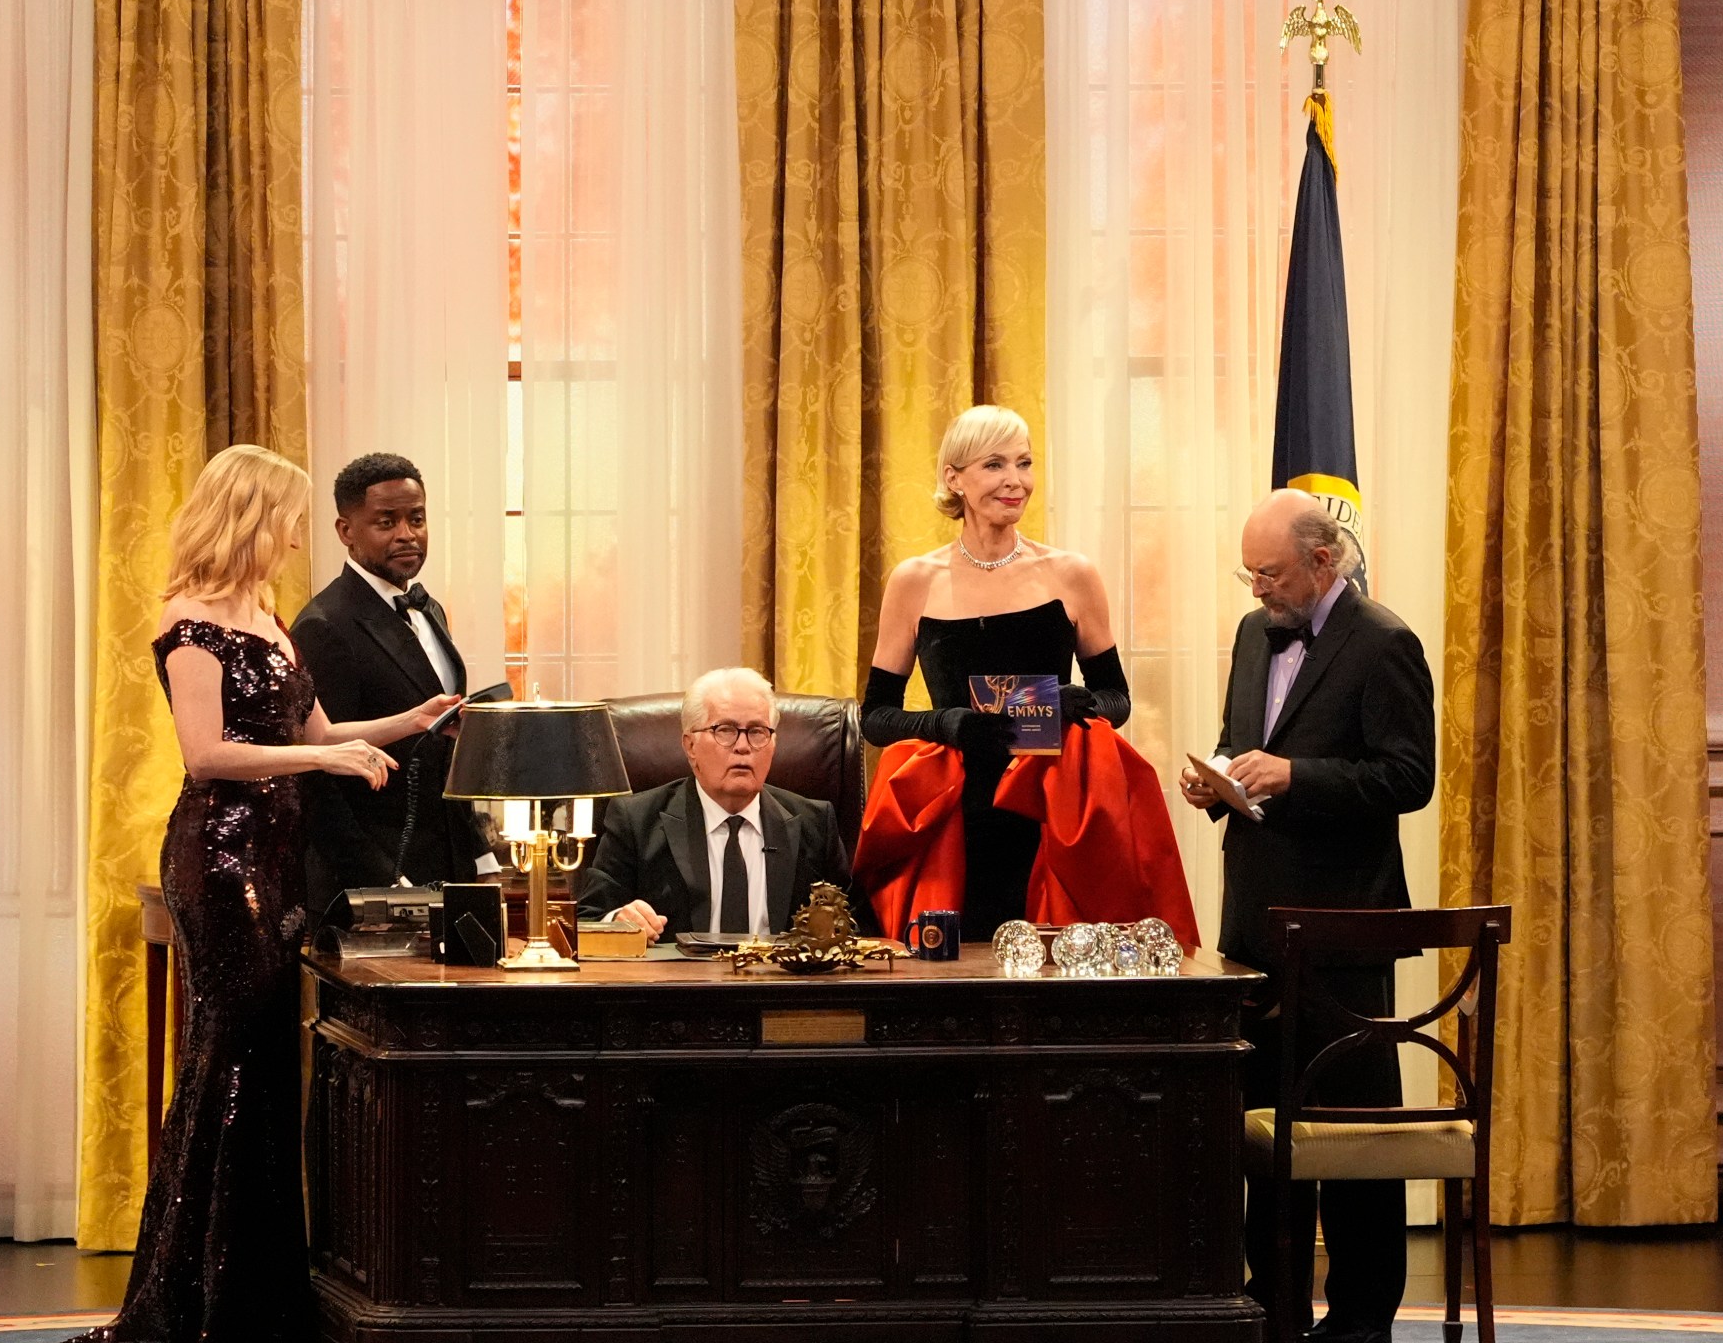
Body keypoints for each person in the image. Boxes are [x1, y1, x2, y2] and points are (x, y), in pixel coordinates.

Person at [74, 445, 455, 1343]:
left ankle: (251, 1288)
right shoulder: (191, 620)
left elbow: (319, 726)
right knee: (231, 1058)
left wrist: (410, 720)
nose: (294, 537)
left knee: (264, 1066)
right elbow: (207, 754)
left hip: (278, 856)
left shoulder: (266, 615)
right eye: (286, 519)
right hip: (222, 856)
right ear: (250, 515)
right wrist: (323, 759)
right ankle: (196, 1298)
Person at [1177, 488, 1433, 1343]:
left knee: (1352, 1139)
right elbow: (1238, 735)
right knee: (1264, 1134)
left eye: (1271, 573)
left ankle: (1363, 1319)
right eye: (1248, 573)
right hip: (1254, 923)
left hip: (1343, 928)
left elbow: (1408, 778)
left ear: (1324, 562)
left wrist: (1295, 776)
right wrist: (1214, 780)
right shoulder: (1256, 633)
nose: (1256, 589)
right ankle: (1273, 1305)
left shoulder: (1386, 642)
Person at [855, 404, 1187, 942]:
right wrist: (949, 725)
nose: (1015, 481)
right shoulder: (914, 581)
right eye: (994, 465)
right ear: (953, 478)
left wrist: (1078, 703)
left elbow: (1117, 699)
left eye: (1025, 463)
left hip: (1053, 806)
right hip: (956, 816)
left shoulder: (1071, 574)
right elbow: (876, 718)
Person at [290, 452, 494, 919]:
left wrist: (479, 853)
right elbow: (319, 776)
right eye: (386, 521)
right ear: (346, 532)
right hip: (373, 881)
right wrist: (383, 882)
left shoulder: (431, 610)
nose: (407, 534)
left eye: (416, 518)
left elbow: (446, 752)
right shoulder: (324, 626)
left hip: (448, 866)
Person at [574, 668, 851, 941]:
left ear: (773, 744)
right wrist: (619, 921)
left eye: (757, 732)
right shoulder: (636, 822)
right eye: (726, 730)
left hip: (778, 984)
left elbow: (855, 930)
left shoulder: (814, 824)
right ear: (690, 745)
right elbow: (588, 920)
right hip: (679, 985)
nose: (743, 746)